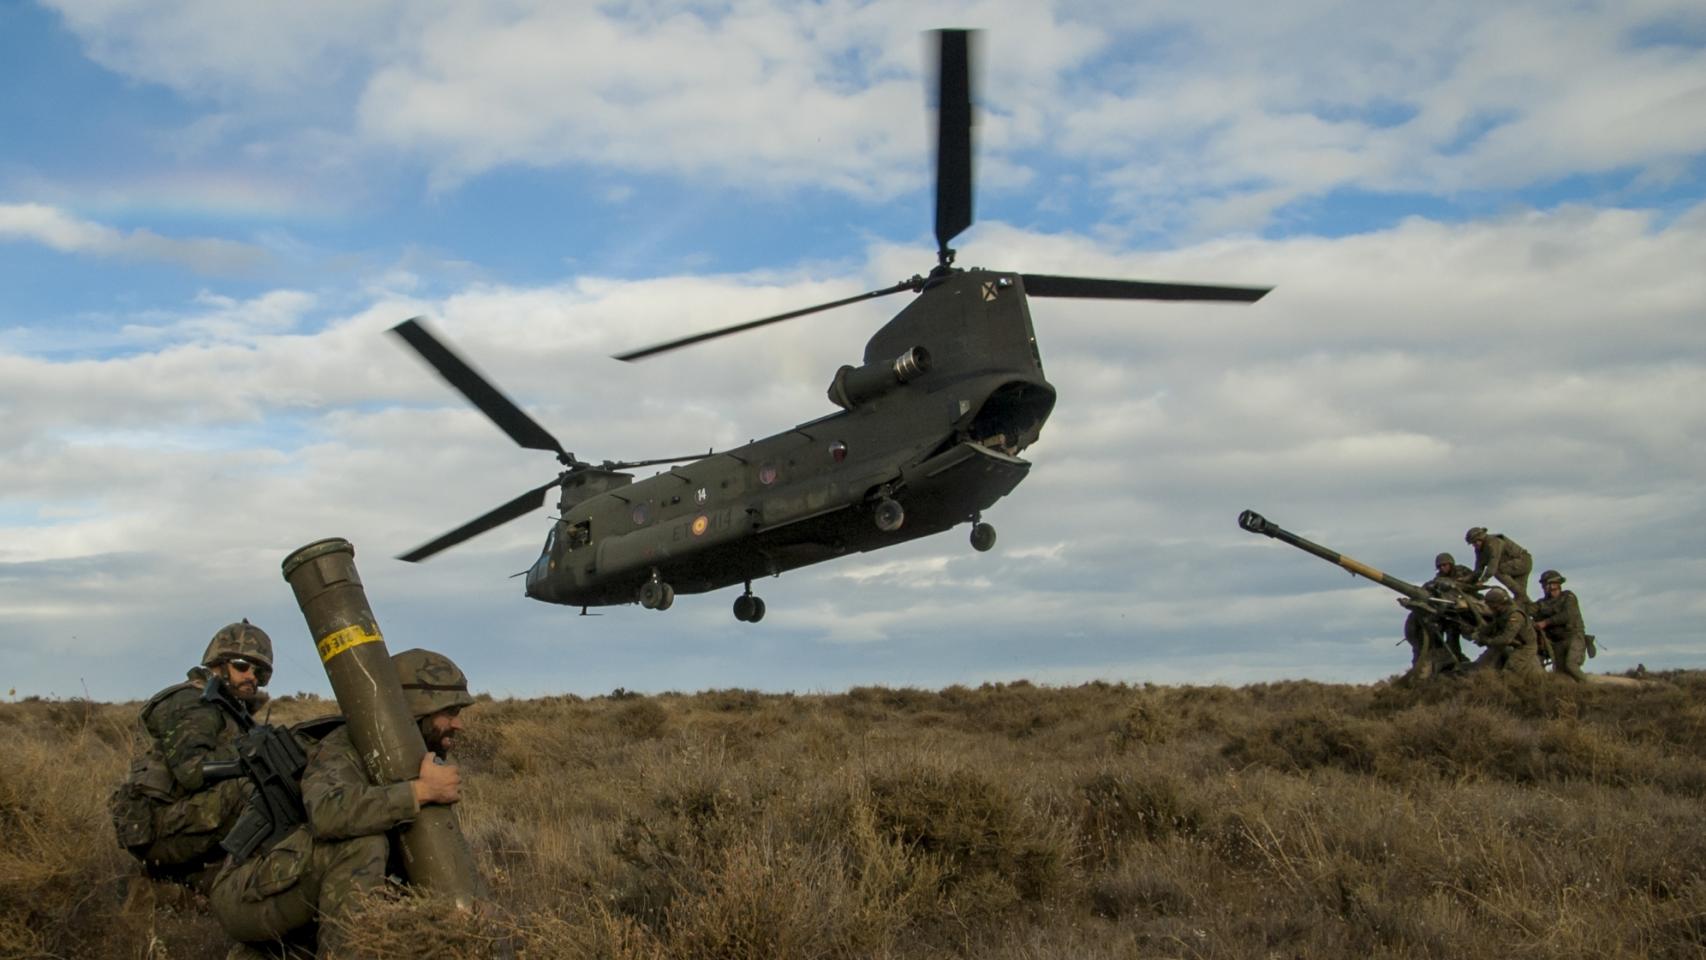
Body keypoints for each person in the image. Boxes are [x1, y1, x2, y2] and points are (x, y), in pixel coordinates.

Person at [211, 648, 475, 957]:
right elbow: (326, 814)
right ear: (416, 709)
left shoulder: (407, 759)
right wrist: (419, 792)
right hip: (243, 894)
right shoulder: (342, 747)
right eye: (450, 712)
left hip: (287, 884)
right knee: (363, 844)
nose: (458, 725)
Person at [110, 620, 275, 895]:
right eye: (242, 666)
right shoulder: (192, 703)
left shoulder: (228, 709)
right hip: (157, 830)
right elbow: (193, 772)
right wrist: (249, 748)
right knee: (251, 791)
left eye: (260, 672)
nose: (252, 677)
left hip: (187, 820)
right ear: (219, 665)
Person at [1468, 587, 1542, 676]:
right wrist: (1479, 633)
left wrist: (1486, 641)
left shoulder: (1515, 616)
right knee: (1483, 665)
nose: (1491, 608)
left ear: (1498, 604)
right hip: (1509, 644)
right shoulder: (1501, 612)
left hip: (1524, 647)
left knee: (1509, 672)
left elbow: (1506, 639)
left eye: (1492, 606)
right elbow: (1492, 626)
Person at [1533, 569, 1590, 683]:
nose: (1544, 587)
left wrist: (1545, 622)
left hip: (1574, 636)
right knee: (1560, 674)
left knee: (1571, 665)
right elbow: (1531, 609)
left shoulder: (1568, 597)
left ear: (1554, 584)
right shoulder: (1542, 603)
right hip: (1557, 641)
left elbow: (1567, 615)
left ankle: (1589, 687)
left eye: (1546, 584)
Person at [1465, 527, 1534, 604]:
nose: (1474, 545)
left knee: (1497, 571)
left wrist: (1483, 580)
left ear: (1481, 538)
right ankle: (1531, 610)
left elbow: (1493, 562)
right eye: (1472, 544)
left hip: (1522, 562)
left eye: (1475, 542)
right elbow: (1478, 569)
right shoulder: (1479, 550)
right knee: (1520, 598)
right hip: (1512, 565)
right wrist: (1467, 579)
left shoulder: (1494, 541)